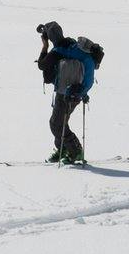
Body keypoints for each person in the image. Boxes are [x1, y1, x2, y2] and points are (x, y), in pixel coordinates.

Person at [35, 21, 96, 164]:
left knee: (56, 124)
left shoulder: (59, 51)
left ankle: (75, 151)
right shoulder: (72, 44)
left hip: (67, 93)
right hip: (79, 91)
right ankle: (63, 150)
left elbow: (42, 65)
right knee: (61, 122)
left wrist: (45, 46)